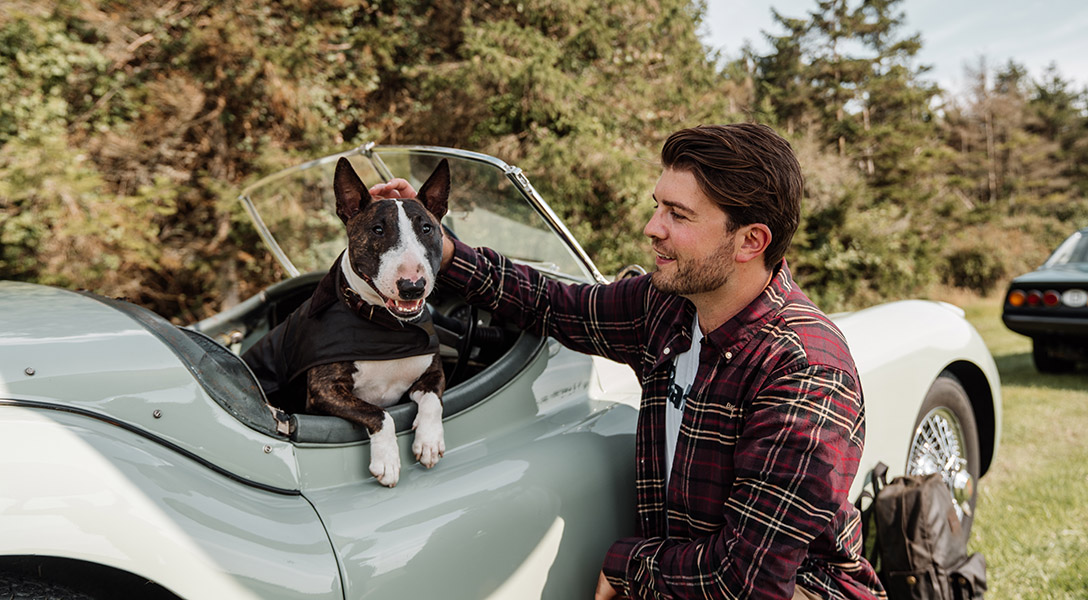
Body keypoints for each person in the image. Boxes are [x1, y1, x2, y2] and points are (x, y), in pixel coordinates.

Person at [369, 123, 884, 599]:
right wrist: (437, 245)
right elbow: (552, 303)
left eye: (678, 215)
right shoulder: (668, 306)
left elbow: (745, 582)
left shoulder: (804, 373)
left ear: (751, 241)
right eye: (658, 205)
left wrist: (626, 565)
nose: (651, 227)